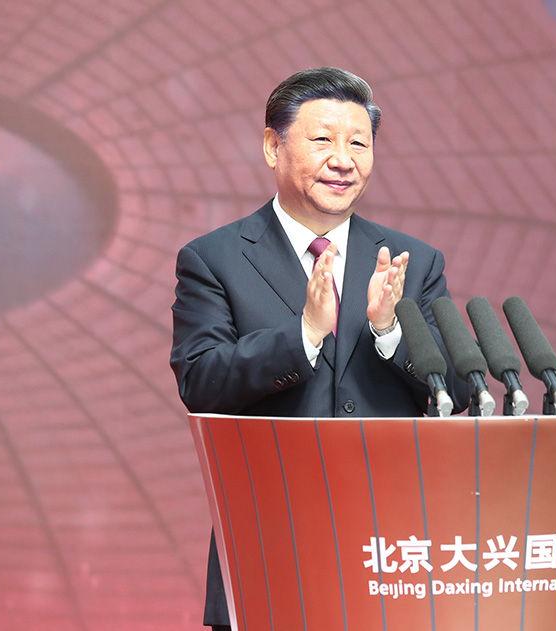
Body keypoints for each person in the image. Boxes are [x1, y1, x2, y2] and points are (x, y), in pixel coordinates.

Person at [169, 67, 468, 630]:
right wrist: (304, 334)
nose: (343, 160)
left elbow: (456, 389)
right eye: (323, 139)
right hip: (270, 549)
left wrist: (390, 331)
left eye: (359, 143)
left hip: (394, 555)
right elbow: (201, 382)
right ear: (272, 146)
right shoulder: (214, 259)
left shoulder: (413, 261)